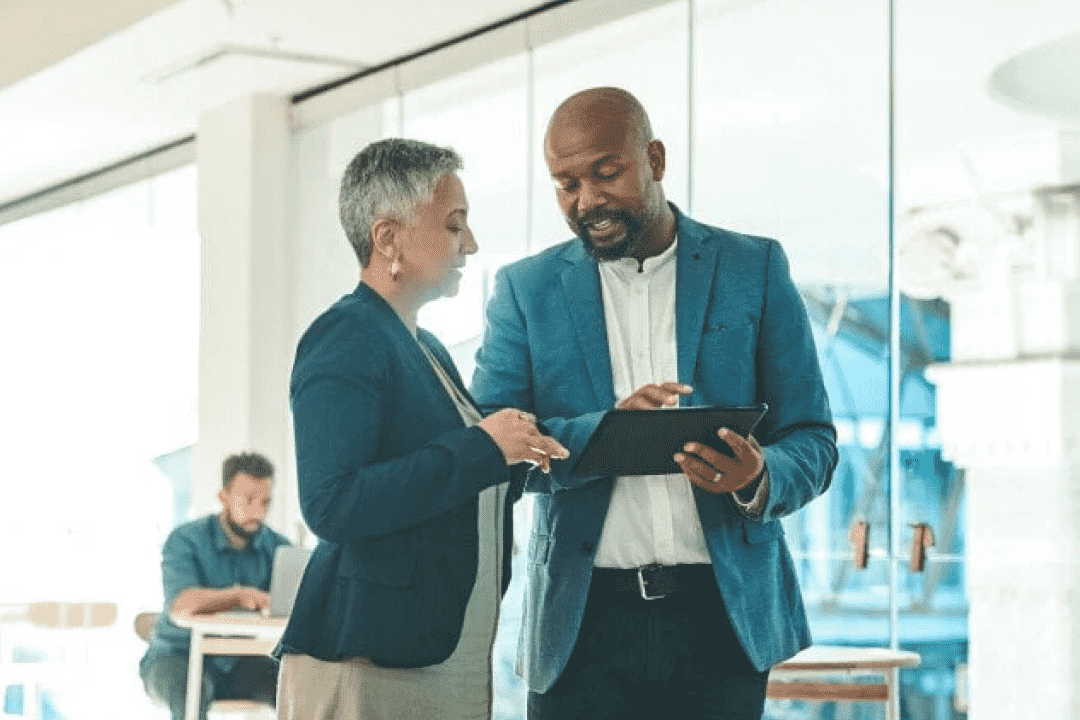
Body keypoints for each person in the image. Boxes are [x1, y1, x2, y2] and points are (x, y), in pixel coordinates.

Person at [469, 87, 839, 720]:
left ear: (655, 160)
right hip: (579, 623)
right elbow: (489, 446)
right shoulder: (525, 291)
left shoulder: (753, 267)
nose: (586, 200)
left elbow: (813, 437)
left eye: (605, 173)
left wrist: (758, 475)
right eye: (566, 185)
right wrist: (604, 433)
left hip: (723, 619)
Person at [274, 138, 568, 720]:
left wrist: (568, 438)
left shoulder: (424, 345)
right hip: (369, 665)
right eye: (454, 224)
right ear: (388, 238)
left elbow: (463, 474)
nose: (471, 243)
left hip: (438, 657)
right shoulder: (346, 335)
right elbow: (332, 503)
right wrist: (483, 448)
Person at [139, 451, 291, 720]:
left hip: (237, 660)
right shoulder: (185, 539)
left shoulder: (279, 548)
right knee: (190, 693)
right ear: (224, 497)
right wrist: (240, 596)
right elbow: (182, 605)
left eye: (265, 502)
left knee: (292, 686)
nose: (258, 511)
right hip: (175, 656)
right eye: (248, 500)